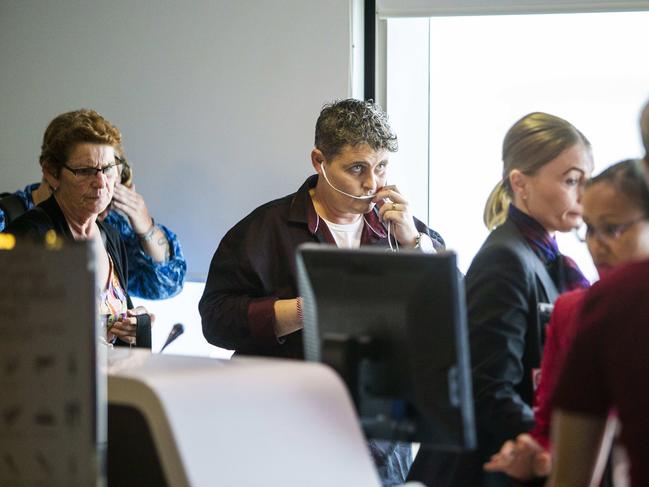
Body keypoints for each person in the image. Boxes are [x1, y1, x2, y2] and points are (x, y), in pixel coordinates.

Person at [199, 98, 444, 486]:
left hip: (380, 444)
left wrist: (416, 244)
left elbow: (452, 314)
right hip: (286, 434)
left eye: (381, 167)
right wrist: (303, 310)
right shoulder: (263, 230)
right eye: (357, 169)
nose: (373, 184)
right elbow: (215, 320)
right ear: (319, 161)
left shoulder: (403, 231)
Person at [408, 112, 592, 486]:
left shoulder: (544, 258)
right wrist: (559, 444)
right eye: (571, 180)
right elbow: (489, 389)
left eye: (588, 180)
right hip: (490, 468)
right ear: (520, 183)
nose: (583, 195)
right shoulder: (505, 259)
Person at [484, 158, 649, 483]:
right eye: (589, 229)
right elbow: (550, 429)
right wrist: (538, 455)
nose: (597, 245)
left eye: (613, 228)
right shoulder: (576, 311)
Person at [5, 109, 152, 347]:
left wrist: (137, 325)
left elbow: (119, 327)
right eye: (85, 171)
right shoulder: (28, 237)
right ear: (52, 175)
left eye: (107, 168)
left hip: (111, 382)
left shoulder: (111, 237)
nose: (101, 182)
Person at [0, 142, 186, 301]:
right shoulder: (11, 218)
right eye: (86, 172)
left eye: (109, 174)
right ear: (54, 175)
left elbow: (166, 285)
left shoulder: (109, 227)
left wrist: (145, 227)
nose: (101, 188)